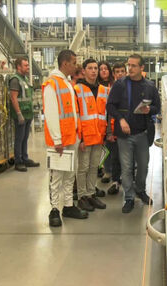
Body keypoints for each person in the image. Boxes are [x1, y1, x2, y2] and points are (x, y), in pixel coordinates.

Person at [106, 54, 160, 213]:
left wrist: (150, 110)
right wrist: (121, 120)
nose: (130, 68)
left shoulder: (150, 86)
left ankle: (140, 190)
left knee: (143, 166)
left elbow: (158, 107)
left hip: (143, 134)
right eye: (129, 65)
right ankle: (129, 197)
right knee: (127, 167)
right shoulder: (120, 85)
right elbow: (110, 106)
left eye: (134, 65)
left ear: (142, 68)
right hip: (124, 136)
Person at [43, 50, 88, 227]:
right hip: (60, 142)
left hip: (72, 138)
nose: (76, 65)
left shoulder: (67, 83)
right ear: (64, 64)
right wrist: (57, 139)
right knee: (56, 176)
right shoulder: (51, 84)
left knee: (70, 174)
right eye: (74, 62)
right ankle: (54, 210)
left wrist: (78, 134)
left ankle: (68, 206)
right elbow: (51, 113)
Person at [74, 59, 108, 212]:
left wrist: (106, 133)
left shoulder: (104, 90)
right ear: (84, 71)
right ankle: (82, 196)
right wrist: (79, 138)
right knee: (83, 168)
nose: (94, 71)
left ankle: (91, 194)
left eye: (96, 68)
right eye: (90, 68)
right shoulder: (77, 89)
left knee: (94, 167)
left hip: (99, 136)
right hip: (85, 137)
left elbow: (105, 114)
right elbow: (76, 115)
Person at [8, 57, 40, 172]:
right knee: (19, 138)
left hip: (28, 114)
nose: (28, 67)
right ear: (19, 67)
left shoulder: (24, 79)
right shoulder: (15, 80)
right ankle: (18, 161)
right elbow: (13, 97)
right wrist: (18, 113)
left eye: (28, 65)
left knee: (25, 138)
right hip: (21, 115)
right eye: (25, 65)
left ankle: (25, 158)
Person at [106, 62, 126, 194]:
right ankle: (115, 182)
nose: (119, 74)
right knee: (115, 158)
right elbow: (108, 113)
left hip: (127, 130)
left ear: (126, 72)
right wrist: (109, 132)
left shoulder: (130, 88)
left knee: (129, 159)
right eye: (117, 72)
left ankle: (130, 182)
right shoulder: (110, 90)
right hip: (114, 130)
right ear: (113, 74)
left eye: (122, 71)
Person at [97, 61, 114, 184]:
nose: (103, 71)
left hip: (111, 120)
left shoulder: (114, 85)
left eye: (106, 68)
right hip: (99, 121)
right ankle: (105, 170)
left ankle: (112, 171)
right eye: (101, 69)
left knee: (112, 148)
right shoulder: (95, 86)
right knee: (102, 148)